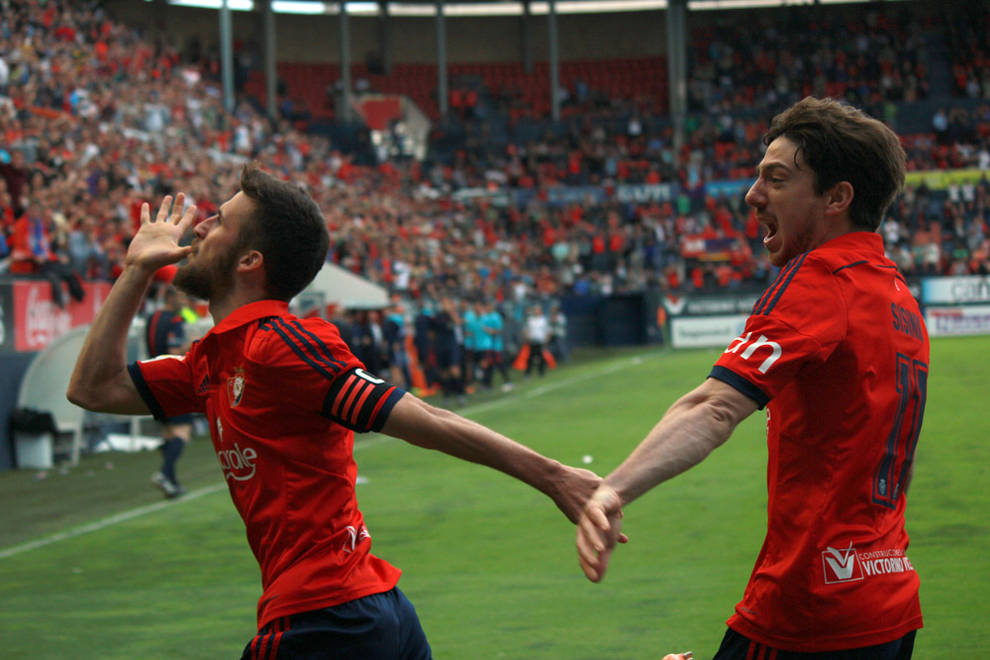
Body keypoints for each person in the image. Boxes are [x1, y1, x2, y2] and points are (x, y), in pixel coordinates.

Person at [67, 164, 600, 659]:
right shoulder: (212, 360)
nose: (199, 227)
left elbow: (421, 418)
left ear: (252, 261)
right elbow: (94, 388)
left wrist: (552, 477)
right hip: (357, 609)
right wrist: (136, 270)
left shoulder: (278, 341)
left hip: (327, 617)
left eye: (220, 220)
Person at [576, 97, 927, 659]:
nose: (752, 195)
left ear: (836, 198)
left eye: (777, 179)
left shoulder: (820, 278)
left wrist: (610, 490)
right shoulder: (897, 295)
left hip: (810, 604)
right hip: (887, 595)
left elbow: (714, 407)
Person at [145, 285, 193, 498]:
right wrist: (193, 346)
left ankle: (171, 483)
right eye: (182, 296)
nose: (185, 301)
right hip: (172, 380)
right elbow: (174, 351)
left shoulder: (152, 318)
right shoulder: (175, 321)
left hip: (152, 379)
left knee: (169, 433)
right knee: (182, 434)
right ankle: (164, 474)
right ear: (171, 297)